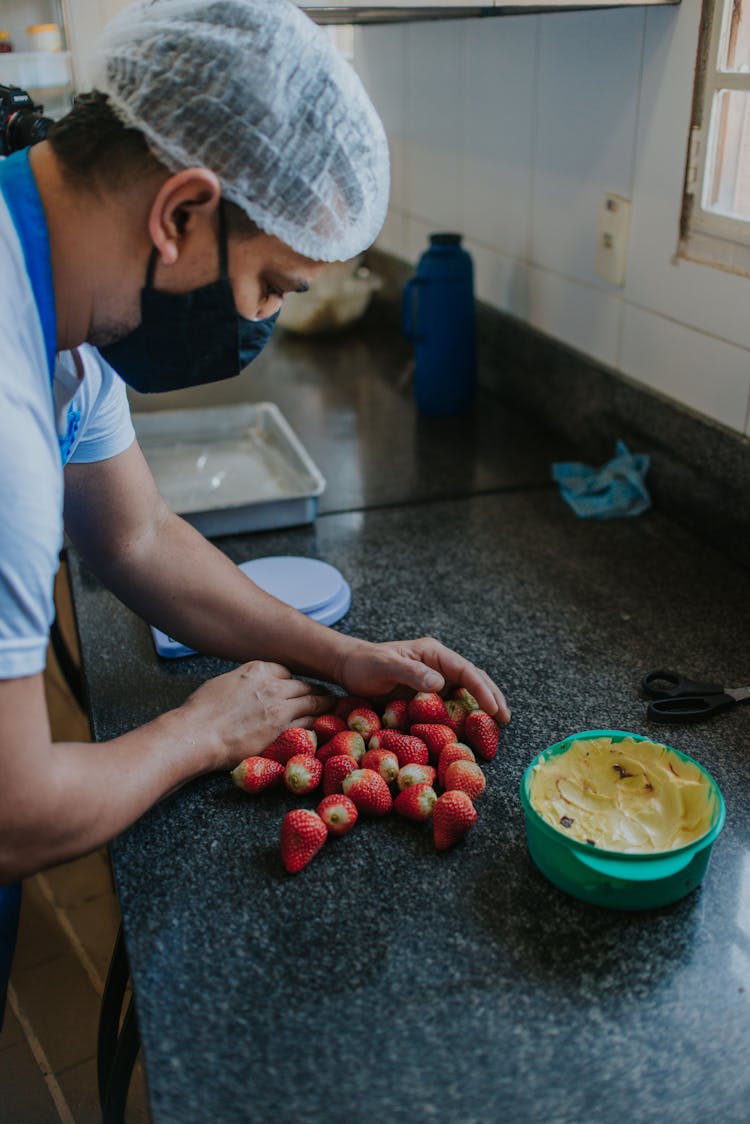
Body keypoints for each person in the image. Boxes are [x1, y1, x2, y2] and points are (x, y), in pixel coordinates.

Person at [0, 0, 510, 1023]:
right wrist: (202, 728)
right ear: (182, 210)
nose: (266, 320)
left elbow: (138, 535)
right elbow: (16, 811)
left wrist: (338, 653)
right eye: (272, 283)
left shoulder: (59, 308)